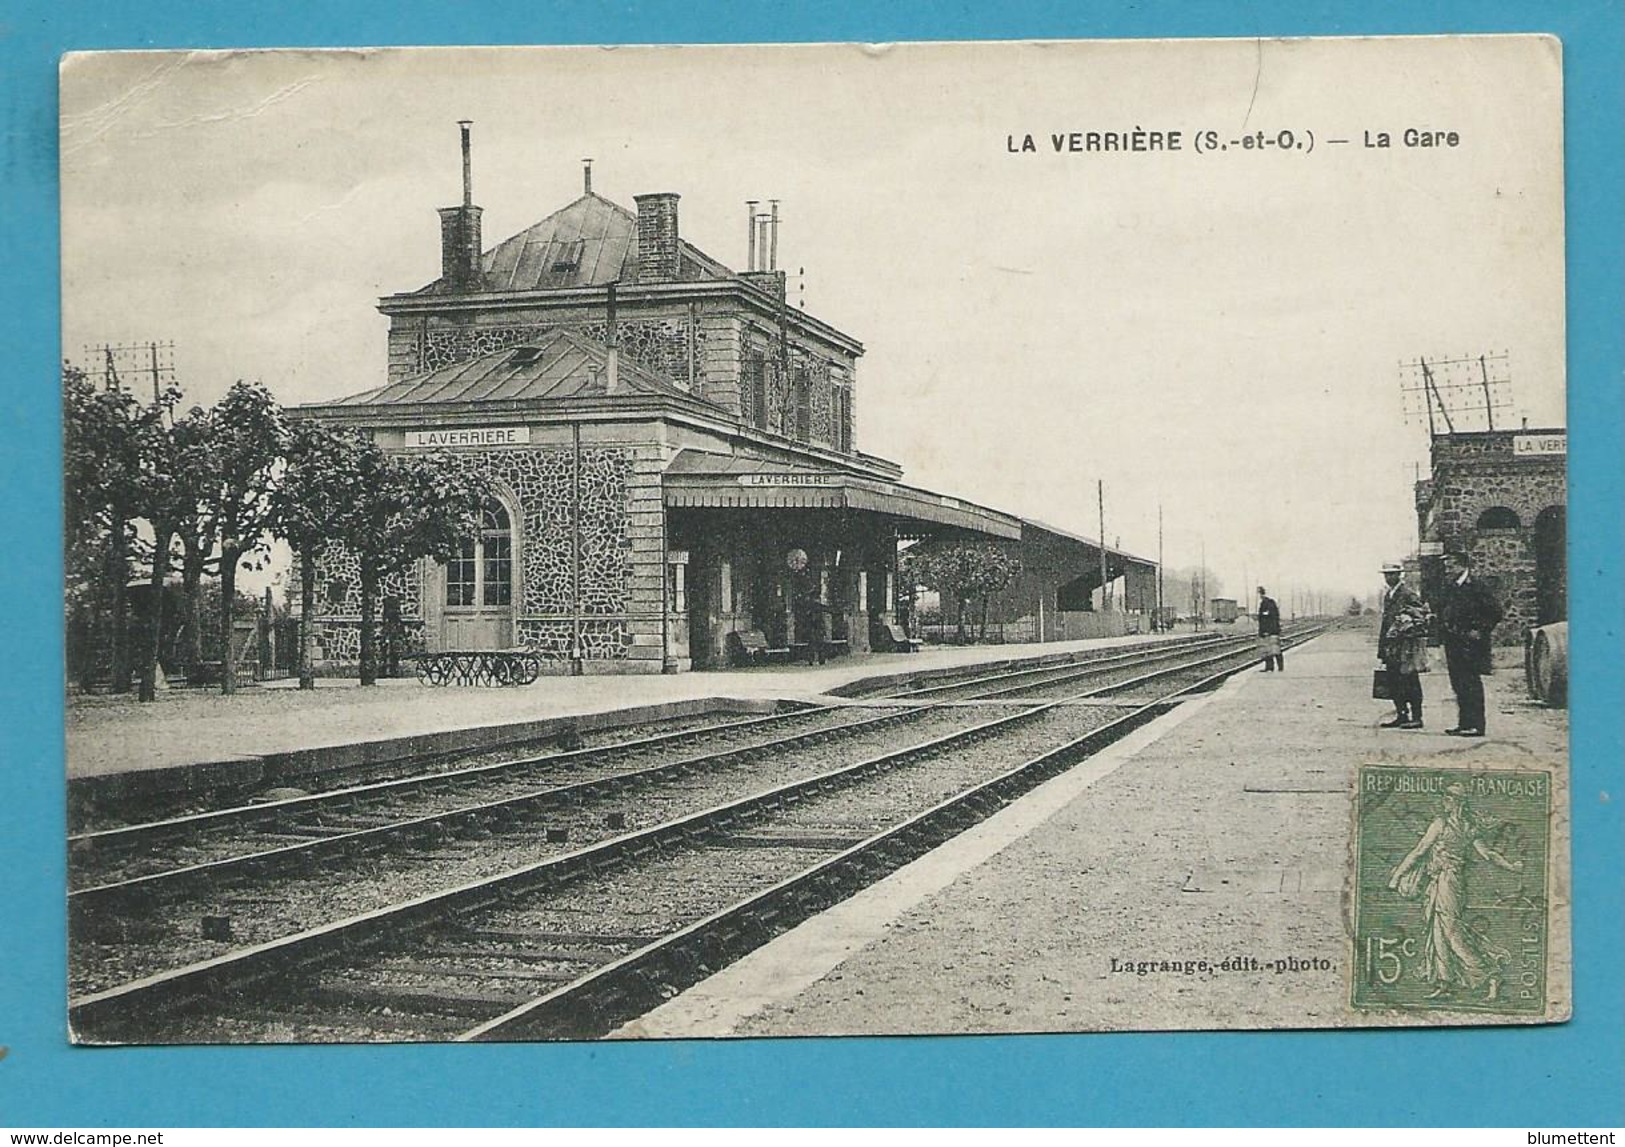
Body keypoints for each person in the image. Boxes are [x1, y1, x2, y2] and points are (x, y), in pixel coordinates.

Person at [1387, 782, 1523, 1001]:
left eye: (1448, 798)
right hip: (1446, 882)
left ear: (1457, 802)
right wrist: (1511, 866)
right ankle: (1445, 982)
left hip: (1448, 883)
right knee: (1438, 931)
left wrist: (1396, 877)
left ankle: (1490, 974)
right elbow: (1488, 854)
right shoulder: (1468, 827)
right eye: (1445, 797)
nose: (1444, 801)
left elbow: (1420, 851)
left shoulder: (1443, 824)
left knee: (1451, 933)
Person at [1438, 550, 1503, 736]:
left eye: (1450, 565)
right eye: (1446, 566)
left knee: (1472, 684)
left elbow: (1496, 611)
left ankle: (1477, 726)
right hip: (1454, 642)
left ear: (1461, 565)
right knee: (1458, 683)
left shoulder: (1477, 586)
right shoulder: (1451, 586)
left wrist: (1480, 630)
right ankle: (1464, 723)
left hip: (1472, 643)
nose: (1447, 569)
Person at [1376, 562, 1429, 729]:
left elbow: (1420, 618)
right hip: (1391, 646)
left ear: (1400, 575)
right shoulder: (1389, 595)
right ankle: (1402, 715)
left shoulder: (1407, 594)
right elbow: (1386, 624)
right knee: (1394, 681)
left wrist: (1406, 629)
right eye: (1386, 575)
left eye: (1392, 574)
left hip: (1405, 646)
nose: (1389, 577)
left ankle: (1417, 717)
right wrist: (1382, 648)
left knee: (1410, 680)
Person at [1255, 586, 1282, 671]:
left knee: (1273, 649)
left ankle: (1275, 667)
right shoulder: (1267, 603)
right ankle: (1272, 667)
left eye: (1259, 593)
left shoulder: (1268, 604)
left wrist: (1267, 631)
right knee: (1269, 649)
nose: (1259, 596)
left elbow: (1268, 618)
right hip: (1270, 630)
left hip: (1271, 631)